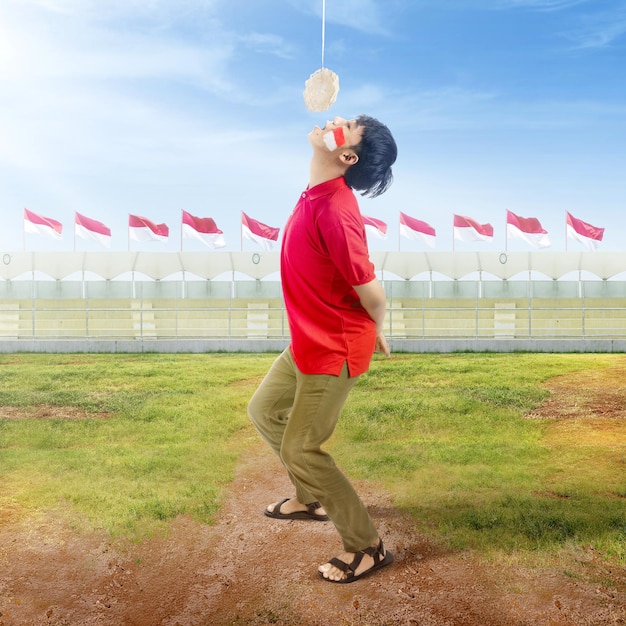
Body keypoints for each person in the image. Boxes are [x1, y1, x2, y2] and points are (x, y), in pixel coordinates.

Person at [247, 114, 397, 584]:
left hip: (334, 346)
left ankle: (366, 546)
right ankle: (307, 498)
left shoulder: (336, 209)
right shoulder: (316, 191)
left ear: (347, 156)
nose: (335, 120)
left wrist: (376, 326)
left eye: (346, 125)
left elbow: (370, 289)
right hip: (307, 341)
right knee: (263, 410)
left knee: (302, 447)